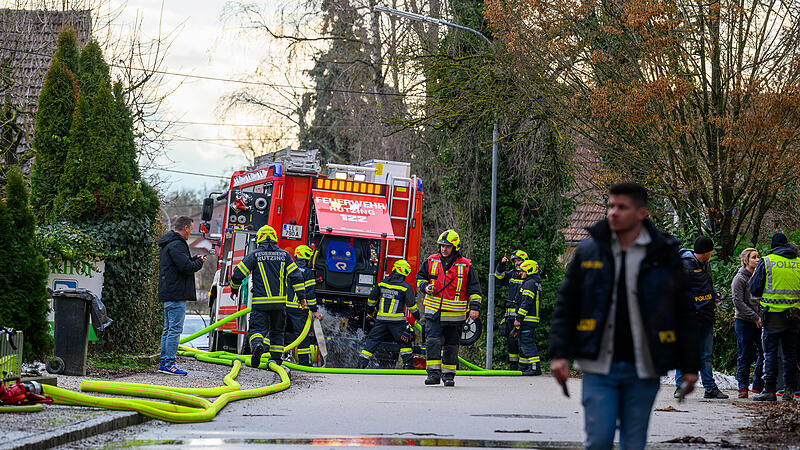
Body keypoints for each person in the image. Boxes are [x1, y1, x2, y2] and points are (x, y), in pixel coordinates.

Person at [549, 182, 699, 450]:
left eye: (622, 207)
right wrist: (559, 353)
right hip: (598, 365)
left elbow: (684, 311)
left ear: (641, 213)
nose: (613, 213)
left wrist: (690, 365)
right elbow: (567, 304)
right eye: (610, 206)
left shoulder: (663, 255)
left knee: (633, 443)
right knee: (599, 440)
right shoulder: (589, 251)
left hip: (644, 367)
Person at [231, 225, 305, 369]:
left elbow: (237, 274)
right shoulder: (285, 255)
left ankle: (258, 345)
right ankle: (276, 361)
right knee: (277, 332)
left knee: (256, 330)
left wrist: (234, 289)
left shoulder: (255, 255)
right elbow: (296, 276)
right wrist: (301, 297)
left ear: (259, 239)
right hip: (279, 304)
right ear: (275, 239)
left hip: (260, 303)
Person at [416, 229, 482, 387]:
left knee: (451, 345)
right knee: (433, 342)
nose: (444, 249)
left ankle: (449, 375)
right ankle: (433, 374)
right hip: (434, 312)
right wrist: (424, 287)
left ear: (455, 247)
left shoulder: (466, 266)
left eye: (447, 246)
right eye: (441, 246)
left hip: (455, 314)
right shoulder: (431, 261)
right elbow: (420, 278)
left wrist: (474, 307)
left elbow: (474, 289)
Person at [673, 236, 728, 399]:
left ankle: (710, 388)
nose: (712, 253)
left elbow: (705, 288)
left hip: (706, 316)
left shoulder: (706, 265)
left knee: (706, 354)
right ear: (707, 252)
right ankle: (680, 387)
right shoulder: (684, 265)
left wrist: (713, 295)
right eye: (711, 251)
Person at [748, 232, 800, 402]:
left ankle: (769, 390)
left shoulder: (767, 261)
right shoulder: (798, 263)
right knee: (790, 353)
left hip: (772, 316)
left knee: (769, 353)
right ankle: (790, 391)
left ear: (773, 246)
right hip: (794, 316)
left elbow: (754, 288)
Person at [157, 216, 206, 375]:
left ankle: (165, 361)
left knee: (168, 329)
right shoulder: (177, 244)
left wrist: (193, 259)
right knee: (174, 329)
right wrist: (199, 262)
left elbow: (181, 263)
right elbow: (185, 267)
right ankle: (170, 363)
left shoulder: (168, 243)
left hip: (169, 292)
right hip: (176, 293)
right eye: (191, 229)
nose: (190, 232)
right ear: (185, 228)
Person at [357, 260, 421, 369]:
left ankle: (361, 364)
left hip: (381, 321)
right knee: (404, 343)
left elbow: (371, 300)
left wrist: (370, 311)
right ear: (405, 272)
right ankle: (408, 366)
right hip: (397, 322)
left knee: (372, 341)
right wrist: (417, 318)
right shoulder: (406, 287)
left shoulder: (382, 284)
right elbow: (412, 306)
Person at [731, 247, 764, 398]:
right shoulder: (739, 279)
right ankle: (742, 387)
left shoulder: (759, 276)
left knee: (763, 353)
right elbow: (738, 302)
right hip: (744, 321)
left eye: (758, 257)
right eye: (754, 257)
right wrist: (754, 317)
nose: (757, 260)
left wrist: (761, 316)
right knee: (745, 353)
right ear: (745, 261)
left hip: (759, 320)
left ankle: (757, 386)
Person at [285, 245, 322, 366]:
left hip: (283, 307)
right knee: (302, 337)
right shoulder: (308, 273)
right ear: (307, 258)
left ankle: (271, 357)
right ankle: (304, 363)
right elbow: (310, 294)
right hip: (299, 309)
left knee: (277, 333)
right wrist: (314, 310)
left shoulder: (287, 268)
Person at [495, 249, 528, 370]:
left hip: (523, 316)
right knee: (511, 341)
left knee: (523, 341)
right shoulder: (512, 274)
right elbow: (499, 277)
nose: (516, 263)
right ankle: (513, 365)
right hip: (510, 315)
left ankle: (523, 366)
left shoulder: (528, 276)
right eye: (515, 261)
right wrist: (502, 264)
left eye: (519, 260)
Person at [513, 259, 542, 376]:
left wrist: (519, 318)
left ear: (529, 271)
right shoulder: (534, 282)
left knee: (527, 343)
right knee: (524, 343)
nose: (521, 273)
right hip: (530, 319)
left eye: (523, 271)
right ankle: (524, 367)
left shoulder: (529, 283)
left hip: (527, 318)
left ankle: (535, 368)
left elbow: (526, 303)